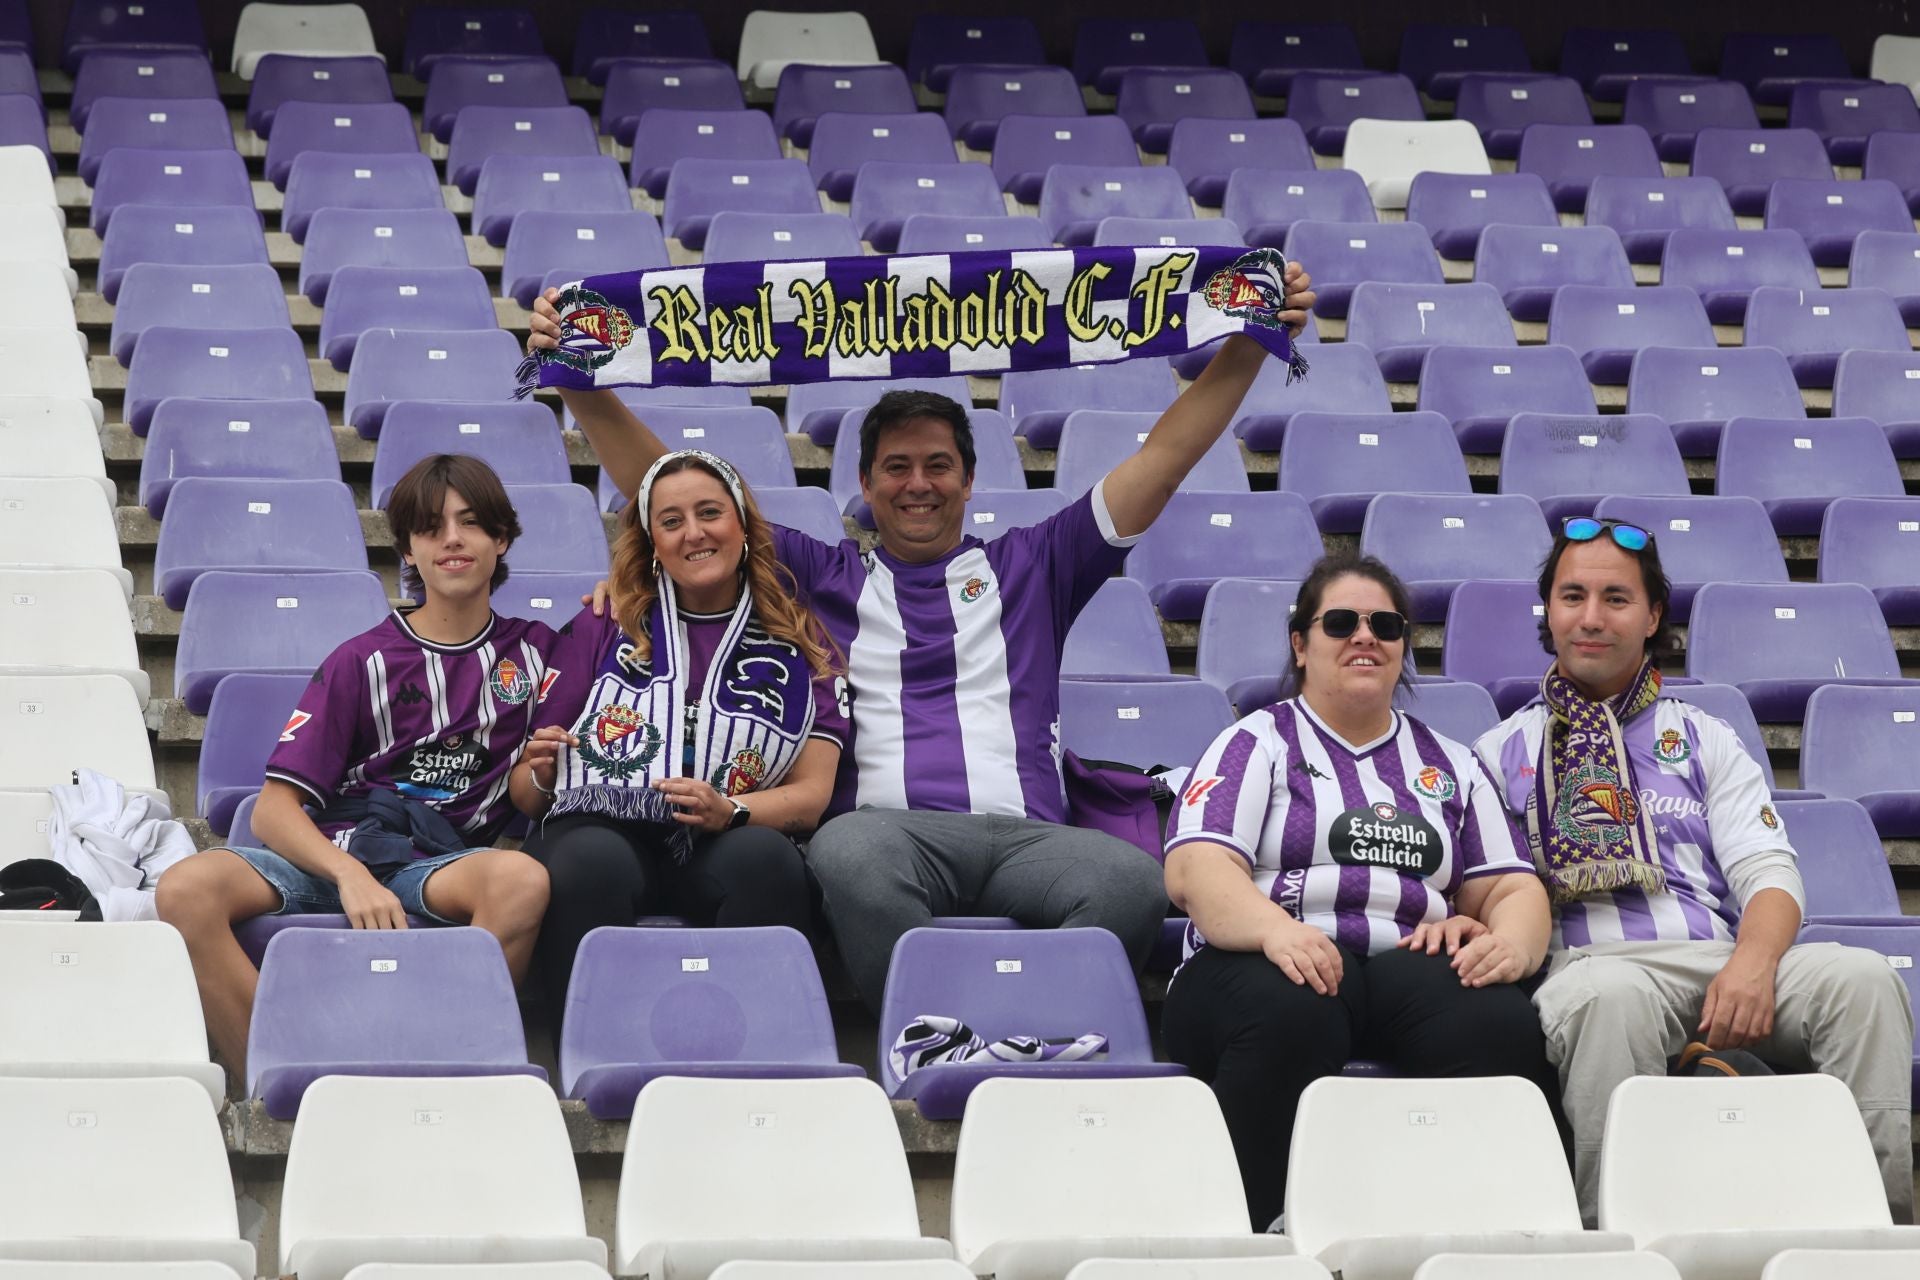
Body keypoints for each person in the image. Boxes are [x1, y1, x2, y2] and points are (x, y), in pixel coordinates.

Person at [531, 261, 1316, 1013]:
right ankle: (929, 1034)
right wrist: (576, 376)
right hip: (884, 840)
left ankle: (1031, 1033)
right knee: (849, 856)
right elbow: (673, 490)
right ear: (865, 487)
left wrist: (1250, 341)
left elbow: (1166, 459)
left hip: (1026, 836)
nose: (917, 484)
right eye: (896, 468)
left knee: (1127, 883)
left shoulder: (1038, 563)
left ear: (969, 481)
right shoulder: (819, 574)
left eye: (938, 465)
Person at [1473, 516, 1916, 1225]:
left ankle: (1877, 1232)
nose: (1591, 617)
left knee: (1862, 981)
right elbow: (1484, 894)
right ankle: (1619, 1238)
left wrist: (1752, 962)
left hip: (1720, 961)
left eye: (1616, 599)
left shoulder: (1704, 737)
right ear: (1548, 610)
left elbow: (1770, 871)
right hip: (1593, 967)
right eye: (1572, 596)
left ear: (1652, 616)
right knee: (1607, 997)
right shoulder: (1498, 753)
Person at [1162, 551, 1554, 1230]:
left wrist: (1506, 947)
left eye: (1386, 625)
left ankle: (1484, 1233)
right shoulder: (1256, 742)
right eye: (1341, 621)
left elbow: (1513, 887)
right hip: (1260, 960)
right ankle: (1249, 1231)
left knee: (1497, 1022)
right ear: (1301, 644)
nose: (1365, 636)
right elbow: (1195, 870)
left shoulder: (1451, 762)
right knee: (1295, 1010)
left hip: (1404, 962)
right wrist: (1276, 929)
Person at [157, 456, 561, 1076]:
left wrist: (616, 590)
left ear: (500, 539)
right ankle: (277, 1086)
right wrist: (349, 875)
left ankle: (445, 1075)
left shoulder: (538, 653)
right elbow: (272, 809)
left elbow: (638, 626)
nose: (451, 539)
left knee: (521, 881)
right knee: (185, 888)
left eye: (471, 523)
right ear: (407, 547)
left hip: (437, 864)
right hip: (332, 854)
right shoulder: (360, 660)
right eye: (431, 527)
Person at [510, 449, 848, 1016]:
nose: (694, 534)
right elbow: (525, 794)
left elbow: (812, 797)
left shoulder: (803, 640)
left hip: (726, 835)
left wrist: (732, 810)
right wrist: (541, 774)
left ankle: (755, 1060)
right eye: (671, 522)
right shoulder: (603, 623)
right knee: (591, 861)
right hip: (597, 826)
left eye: (710, 512)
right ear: (653, 542)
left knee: (765, 862)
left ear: (742, 524)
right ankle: (596, 1051)